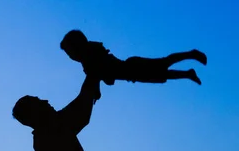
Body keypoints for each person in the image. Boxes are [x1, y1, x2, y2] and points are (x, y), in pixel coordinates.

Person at [61, 29, 207, 100]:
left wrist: (97, 91)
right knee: (163, 74)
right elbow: (100, 77)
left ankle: (191, 54)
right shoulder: (90, 61)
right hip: (132, 73)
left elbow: (100, 74)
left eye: (70, 53)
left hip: (133, 67)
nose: (71, 57)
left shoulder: (90, 59)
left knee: (164, 64)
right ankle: (188, 73)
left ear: (77, 47)